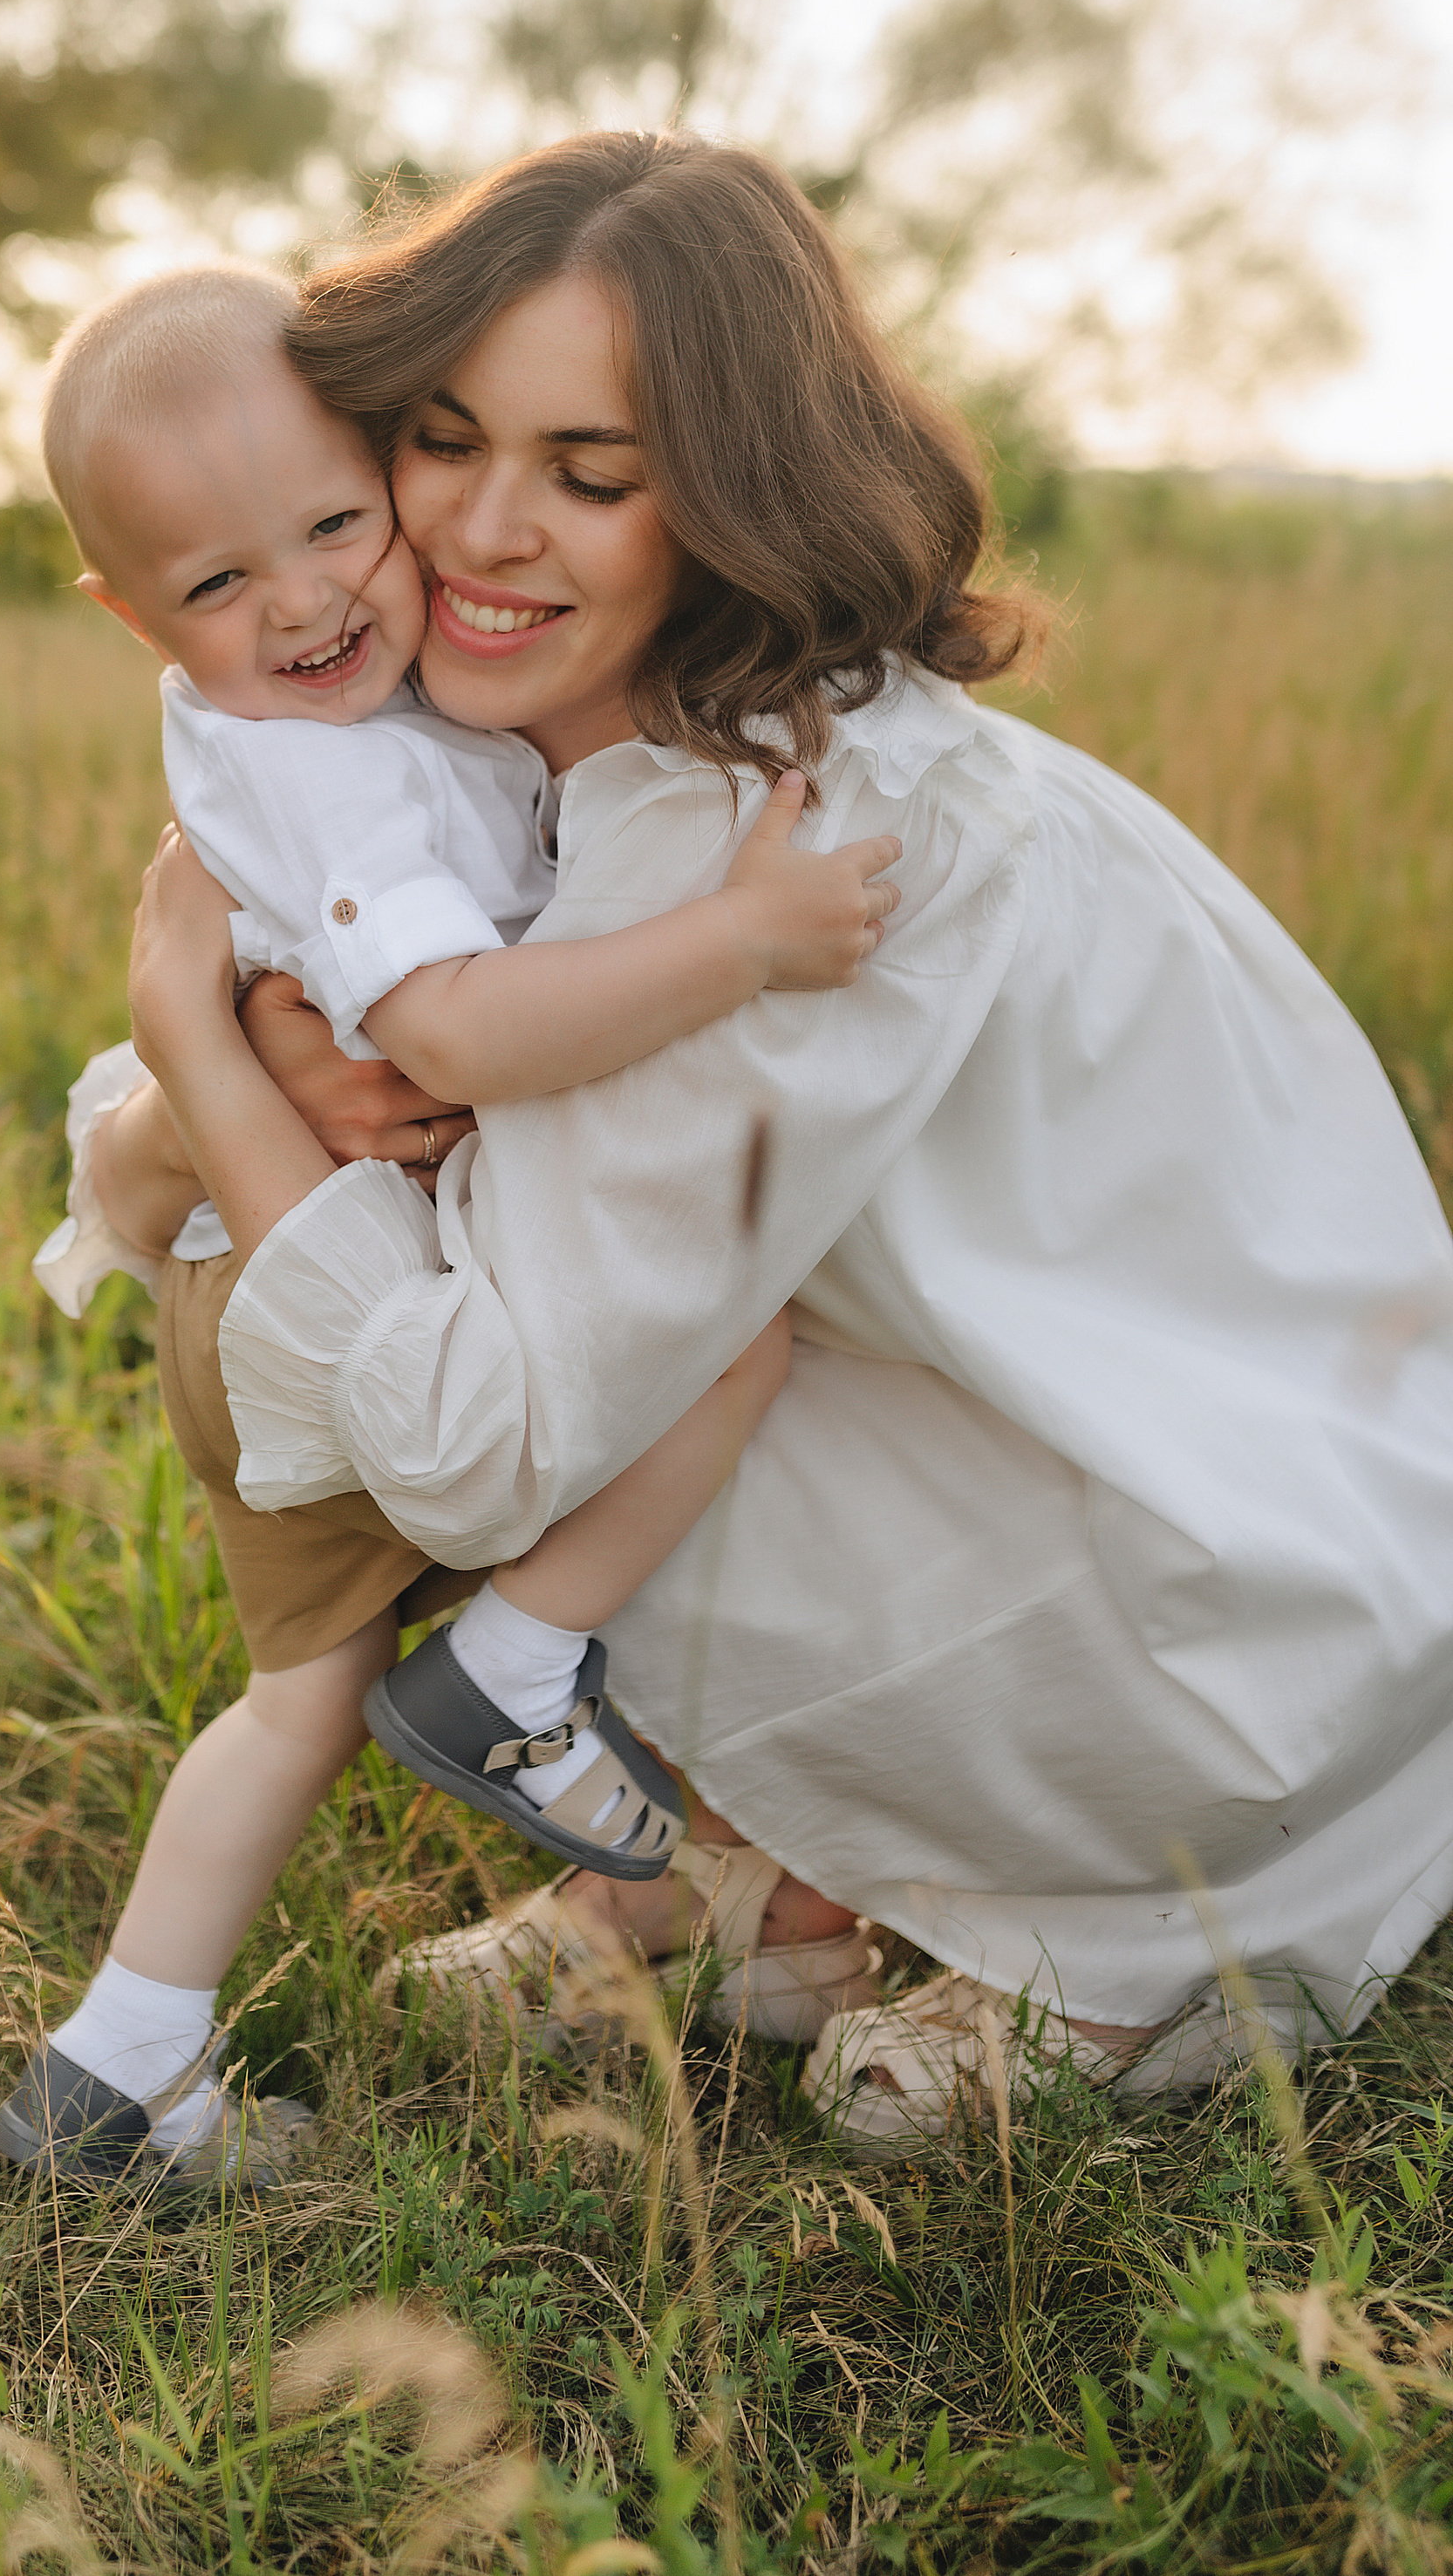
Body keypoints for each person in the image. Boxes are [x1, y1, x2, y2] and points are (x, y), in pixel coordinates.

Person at [97, 131, 1453, 2157]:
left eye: (590, 469)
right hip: (1066, 1423)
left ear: (728, 494)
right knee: (654, 1314)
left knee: (606, 1372)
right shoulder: (505, 734)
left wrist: (194, 1072)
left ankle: (1104, 1945)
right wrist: (159, 1138)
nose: (477, 524)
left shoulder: (786, 840)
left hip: (1227, 1601)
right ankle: (748, 1876)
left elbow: (481, 1424)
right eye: (444, 435)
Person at [0, 261, 897, 2185]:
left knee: (308, 1694)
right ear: (124, 611)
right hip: (305, 1283)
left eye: (333, 526)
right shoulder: (323, 772)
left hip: (290, 1261)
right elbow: (452, 1028)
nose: (309, 600)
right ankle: (496, 1685)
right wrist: (739, 933)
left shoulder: (337, 715)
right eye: (220, 584)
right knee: (725, 1351)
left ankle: (122, 2063)